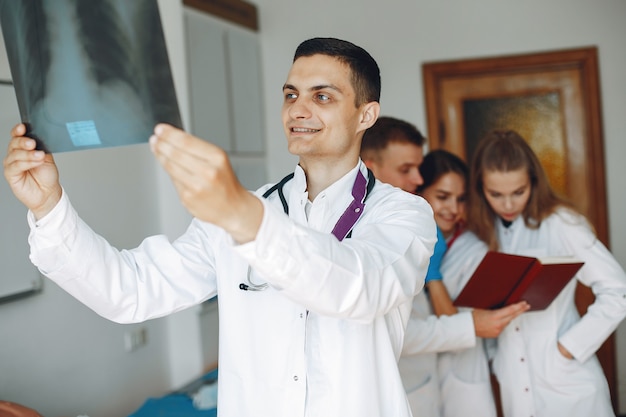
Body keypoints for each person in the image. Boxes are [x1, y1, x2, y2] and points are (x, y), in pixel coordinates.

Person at [3, 38, 437, 417]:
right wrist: (49, 207)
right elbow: (129, 290)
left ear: (366, 115)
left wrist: (242, 217)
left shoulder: (402, 215)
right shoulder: (241, 209)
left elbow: (358, 287)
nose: (298, 110)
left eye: (322, 97)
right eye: (290, 94)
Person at [361, 118, 528, 417]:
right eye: (442, 197)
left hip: (449, 380)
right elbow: (393, 333)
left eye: (461, 199)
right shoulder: (378, 234)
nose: (415, 179)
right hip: (405, 384)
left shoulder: (468, 246)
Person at [467, 129, 626, 417]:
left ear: (534, 182)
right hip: (515, 382)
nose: (508, 205)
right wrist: (495, 357)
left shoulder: (562, 223)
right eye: (496, 194)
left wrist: (568, 348)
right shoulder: (482, 232)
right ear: (480, 188)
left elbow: (618, 292)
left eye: (519, 192)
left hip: (567, 381)